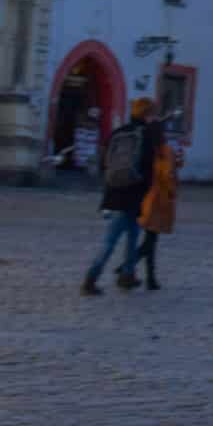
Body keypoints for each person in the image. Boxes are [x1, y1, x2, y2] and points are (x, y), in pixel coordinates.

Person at [83, 99, 157, 295]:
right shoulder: (146, 135)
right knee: (111, 240)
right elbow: (150, 168)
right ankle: (90, 278)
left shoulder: (118, 132)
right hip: (133, 194)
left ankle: (128, 275)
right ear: (147, 114)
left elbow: (105, 161)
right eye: (152, 114)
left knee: (133, 235)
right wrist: (146, 192)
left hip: (113, 192)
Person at [136, 112, 180, 290]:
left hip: (146, 197)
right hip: (160, 199)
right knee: (151, 240)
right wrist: (172, 191)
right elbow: (168, 174)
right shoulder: (165, 150)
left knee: (150, 239)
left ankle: (150, 278)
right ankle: (129, 266)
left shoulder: (146, 149)